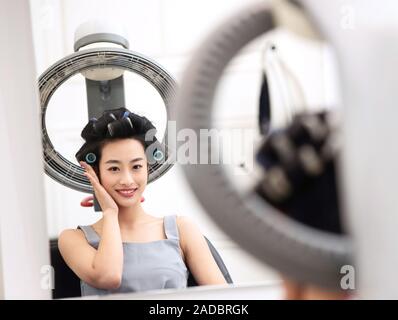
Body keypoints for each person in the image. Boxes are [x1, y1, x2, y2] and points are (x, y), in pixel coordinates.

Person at [58, 107, 227, 296]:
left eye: (136, 166)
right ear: (96, 173)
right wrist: (110, 213)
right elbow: (109, 277)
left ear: (147, 168)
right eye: (114, 169)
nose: (127, 180)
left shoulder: (182, 229)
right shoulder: (73, 239)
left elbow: (225, 301)